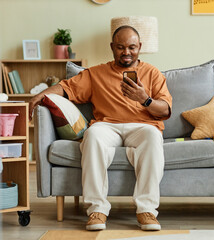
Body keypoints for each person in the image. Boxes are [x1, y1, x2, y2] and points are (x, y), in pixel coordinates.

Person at [29, 25, 172, 231]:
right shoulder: (96, 73)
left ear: (139, 47)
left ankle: (146, 210)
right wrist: (40, 95)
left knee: (152, 136)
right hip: (107, 126)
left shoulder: (152, 73)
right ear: (112, 47)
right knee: (92, 135)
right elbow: (65, 87)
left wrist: (145, 99)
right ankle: (97, 209)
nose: (126, 52)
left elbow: (165, 109)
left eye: (132, 47)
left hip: (143, 126)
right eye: (121, 47)